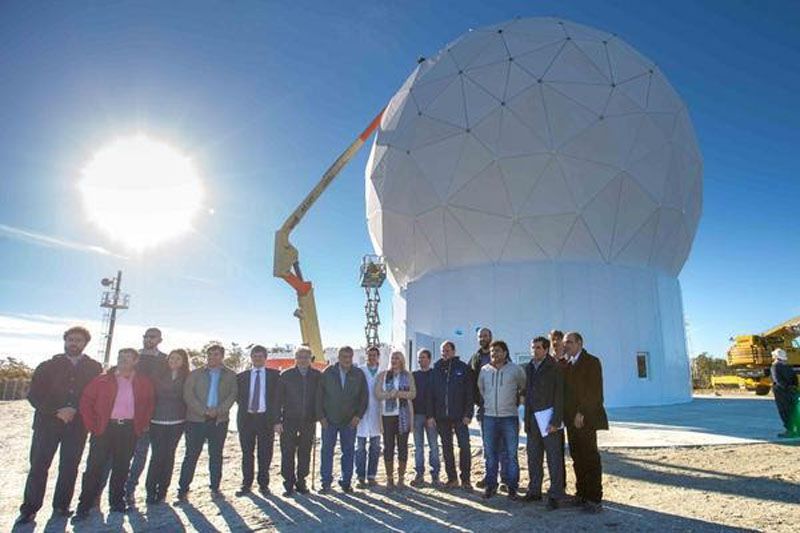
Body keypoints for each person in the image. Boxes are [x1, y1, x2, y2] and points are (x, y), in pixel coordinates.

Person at [15, 326, 102, 525]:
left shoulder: (94, 368)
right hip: (47, 424)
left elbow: (95, 396)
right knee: (38, 466)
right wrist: (57, 410)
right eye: (70, 339)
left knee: (70, 466)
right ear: (65, 341)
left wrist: (74, 410)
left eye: (78, 340)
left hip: (77, 425)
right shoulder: (48, 365)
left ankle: (61, 506)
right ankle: (29, 509)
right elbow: (34, 394)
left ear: (85, 343)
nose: (74, 343)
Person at [73, 348, 155, 521]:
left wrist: (142, 424)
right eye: (120, 357)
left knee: (122, 467)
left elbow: (149, 403)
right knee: (94, 467)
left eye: (127, 357)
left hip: (128, 429)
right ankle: (84, 505)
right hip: (104, 429)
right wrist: (92, 425)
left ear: (135, 361)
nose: (122, 360)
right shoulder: (102, 380)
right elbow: (86, 402)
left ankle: (117, 502)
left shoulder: (143, 382)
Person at [176, 344, 237, 502]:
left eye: (216, 354)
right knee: (191, 455)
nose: (212, 357)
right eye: (209, 354)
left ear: (222, 356)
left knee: (216, 455)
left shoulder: (230, 375)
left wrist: (219, 410)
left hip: (219, 421)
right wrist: (203, 410)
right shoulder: (195, 374)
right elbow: (188, 394)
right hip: (196, 420)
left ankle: (215, 487)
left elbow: (232, 395)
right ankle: (183, 489)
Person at [563, 331, 608, 514]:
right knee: (577, 457)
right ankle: (581, 493)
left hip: (586, 419)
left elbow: (594, 391)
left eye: (570, 342)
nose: (566, 346)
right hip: (571, 420)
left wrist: (582, 412)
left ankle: (595, 499)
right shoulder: (567, 364)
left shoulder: (592, 362)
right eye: (565, 343)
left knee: (590, 458)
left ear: (580, 343)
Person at [124, 327, 168, 505]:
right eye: (146, 336)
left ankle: (130, 489)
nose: (148, 339)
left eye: (153, 337)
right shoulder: (133, 357)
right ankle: (104, 492)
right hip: (125, 412)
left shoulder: (164, 360)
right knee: (119, 455)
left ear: (159, 340)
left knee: (140, 454)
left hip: (149, 414)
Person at [477, 340, 525, 500]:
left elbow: (522, 387)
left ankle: (512, 487)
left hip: (509, 418)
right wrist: (491, 404)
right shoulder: (484, 370)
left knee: (511, 454)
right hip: (489, 418)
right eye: (492, 351)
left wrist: (512, 403)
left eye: (497, 351)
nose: (494, 354)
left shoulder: (515, 370)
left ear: (505, 353)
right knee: (490, 454)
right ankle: (491, 486)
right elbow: (482, 390)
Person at [317, 346, 368, 493]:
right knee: (327, 451)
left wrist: (358, 416)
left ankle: (346, 482)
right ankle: (326, 483)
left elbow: (363, 397)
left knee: (348, 451)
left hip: (349, 421)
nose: (346, 360)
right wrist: (321, 417)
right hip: (329, 420)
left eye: (349, 357)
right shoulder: (328, 372)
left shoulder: (358, 374)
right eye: (344, 357)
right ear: (338, 357)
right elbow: (319, 397)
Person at [523, 336, 566, 509]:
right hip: (533, 421)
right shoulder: (529, 368)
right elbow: (527, 396)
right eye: (533, 347)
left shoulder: (554, 368)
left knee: (554, 459)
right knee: (533, 458)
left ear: (546, 349)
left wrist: (556, 421)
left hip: (550, 421)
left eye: (538, 347)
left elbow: (560, 396)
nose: (535, 350)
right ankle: (534, 491)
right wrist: (526, 420)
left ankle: (555, 494)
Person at [427, 340, 475, 491]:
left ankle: (466, 480)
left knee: (464, 447)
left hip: (460, 416)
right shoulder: (436, 369)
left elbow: (470, 393)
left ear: (453, 351)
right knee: (447, 448)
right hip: (442, 417)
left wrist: (468, 413)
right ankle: (452, 478)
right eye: (442, 351)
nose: (445, 353)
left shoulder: (463, 368)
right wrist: (431, 415)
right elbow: (431, 395)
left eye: (447, 350)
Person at [145, 348, 190, 504]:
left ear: (183, 362)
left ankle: (163, 490)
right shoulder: (158, 375)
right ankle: (150, 490)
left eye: (178, 359)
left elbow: (186, 396)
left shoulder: (187, 377)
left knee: (169, 456)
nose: (173, 361)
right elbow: (154, 393)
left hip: (177, 421)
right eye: (171, 358)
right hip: (157, 420)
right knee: (157, 455)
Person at [236, 345, 281, 496]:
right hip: (246, 419)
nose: (257, 359)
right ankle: (246, 484)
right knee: (247, 453)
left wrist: (277, 420)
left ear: (266, 358)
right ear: (251, 358)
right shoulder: (241, 377)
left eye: (260, 356)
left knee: (265, 453)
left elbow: (277, 400)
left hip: (266, 420)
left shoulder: (275, 376)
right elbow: (238, 398)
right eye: (255, 356)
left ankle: (263, 484)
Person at [278, 345, 321, 496]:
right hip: (288, 420)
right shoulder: (286, 375)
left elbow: (320, 399)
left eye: (306, 357)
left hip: (309, 420)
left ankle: (301, 481)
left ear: (310, 359)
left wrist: (319, 416)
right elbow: (278, 399)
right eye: (300, 357)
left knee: (305, 452)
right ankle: (288, 483)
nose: (303, 360)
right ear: (295, 358)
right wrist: (277, 420)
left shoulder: (317, 375)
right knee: (287, 451)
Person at [469, 328, 508, 491]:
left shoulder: (501, 355)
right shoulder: (475, 357)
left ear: (491, 337)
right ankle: (490, 476)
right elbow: (470, 381)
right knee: (488, 446)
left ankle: (505, 479)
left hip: (502, 409)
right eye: (480, 336)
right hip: (484, 409)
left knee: (503, 446)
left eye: (485, 336)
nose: (483, 338)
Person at [375, 351, 417, 489]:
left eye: (397, 358)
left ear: (402, 361)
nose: (394, 360)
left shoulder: (408, 375)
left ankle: (401, 478)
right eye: (392, 357)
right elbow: (377, 394)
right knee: (388, 447)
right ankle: (389, 478)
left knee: (402, 447)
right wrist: (389, 395)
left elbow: (412, 394)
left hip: (403, 415)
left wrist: (398, 393)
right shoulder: (383, 375)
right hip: (387, 416)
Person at [411, 348, 440, 487]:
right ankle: (419, 474)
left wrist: (432, 416)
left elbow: (436, 397)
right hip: (416, 416)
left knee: (433, 446)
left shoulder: (435, 374)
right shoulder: (414, 375)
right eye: (419, 358)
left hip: (431, 417)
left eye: (423, 357)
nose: (420, 360)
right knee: (418, 447)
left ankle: (435, 475)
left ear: (429, 359)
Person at [355, 346, 382, 488]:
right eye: (369, 355)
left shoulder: (383, 372)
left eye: (374, 355)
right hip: (362, 414)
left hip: (377, 413)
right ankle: (360, 476)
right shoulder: (360, 371)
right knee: (360, 447)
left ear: (378, 357)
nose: (371, 357)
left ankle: (371, 475)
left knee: (375, 447)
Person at [770, 348, 798, 438]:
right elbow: (795, 379)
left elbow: (777, 380)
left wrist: (786, 387)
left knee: (784, 411)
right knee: (793, 410)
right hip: (792, 392)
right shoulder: (788, 366)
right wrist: (793, 387)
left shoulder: (774, 367)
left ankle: (790, 431)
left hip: (781, 392)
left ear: (775, 356)